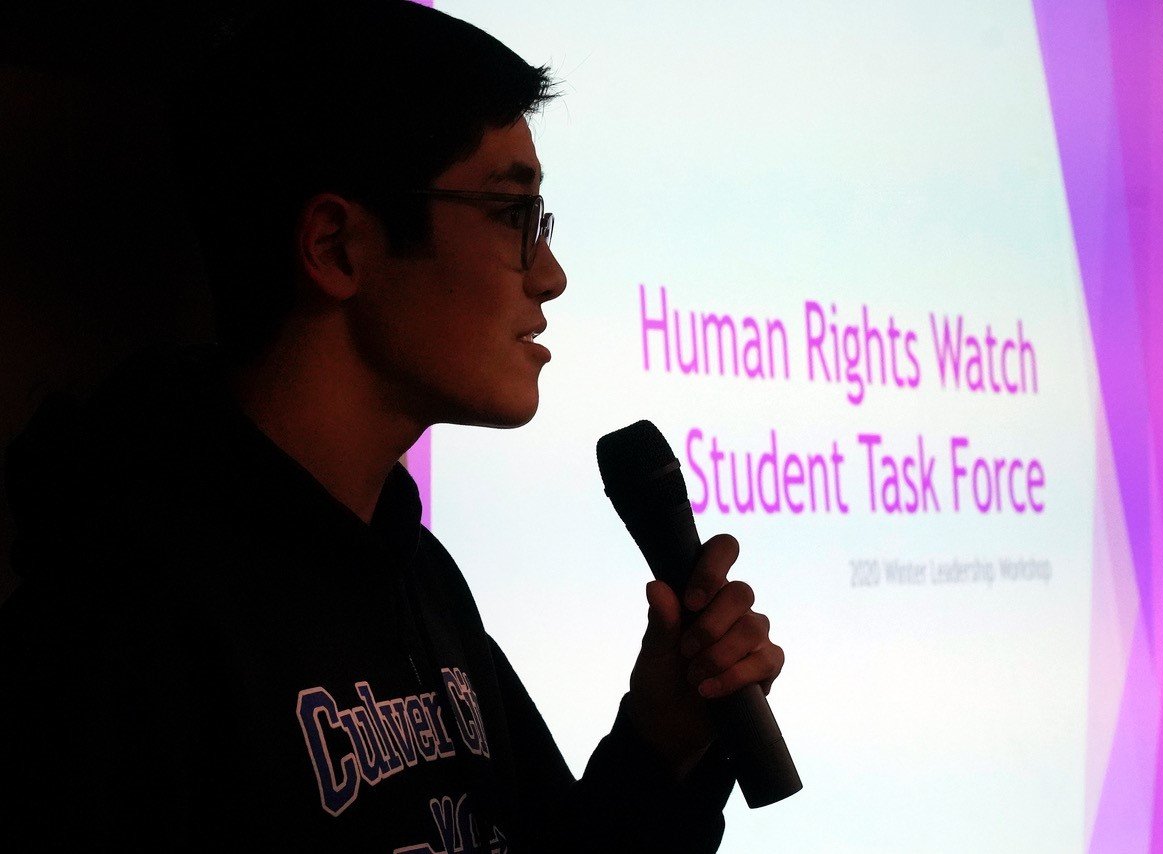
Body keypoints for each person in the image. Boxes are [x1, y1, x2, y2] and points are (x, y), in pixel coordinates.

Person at [0, 2, 785, 852]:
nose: (551, 275)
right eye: (512, 214)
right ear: (338, 247)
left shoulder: (419, 575)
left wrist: (661, 746)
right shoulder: (118, 626)